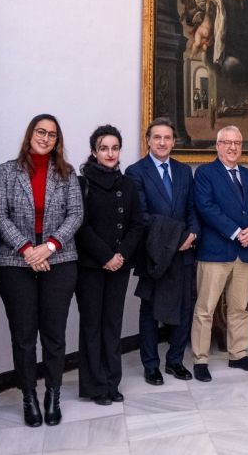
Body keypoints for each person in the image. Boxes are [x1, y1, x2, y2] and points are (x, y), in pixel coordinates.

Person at [0, 114, 83, 427]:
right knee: (23, 336)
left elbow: (75, 215)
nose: (45, 138)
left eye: (52, 134)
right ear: (30, 134)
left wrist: (50, 246)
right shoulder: (6, 171)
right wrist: (28, 249)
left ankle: (53, 394)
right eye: (40, 131)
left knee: (54, 335)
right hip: (15, 263)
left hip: (59, 262)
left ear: (57, 140)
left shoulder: (67, 173)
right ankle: (29, 395)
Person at [125, 118, 199, 385]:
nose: (162, 142)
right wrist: (177, 237)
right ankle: (151, 365)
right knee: (150, 311)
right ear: (148, 140)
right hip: (154, 253)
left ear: (174, 141)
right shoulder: (135, 172)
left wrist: (192, 234)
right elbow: (142, 216)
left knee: (184, 307)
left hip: (184, 252)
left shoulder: (184, 171)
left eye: (167, 137)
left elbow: (193, 209)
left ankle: (175, 361)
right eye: (157, 137)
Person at [75, 125, 145, 405]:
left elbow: (137, 224)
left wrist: (121, 256)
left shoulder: (127, 184)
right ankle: (95, 386)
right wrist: (105, 256)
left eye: (115, 148)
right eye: (104, 148)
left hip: (120, 265)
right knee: (92, 325)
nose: (110, 153)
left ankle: (112, 382)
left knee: (112, 324)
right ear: (94, 151)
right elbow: (81, 225)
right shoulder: (82, 183)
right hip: (91, 266)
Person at [190, 126, 248, 382]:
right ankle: (200, 359)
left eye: (237, 143)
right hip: (215, 253)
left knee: (239, 308)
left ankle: (238, 354)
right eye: (227, 142)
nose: (233, 147)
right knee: (205, 309)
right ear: (218, 145)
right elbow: (206, 207)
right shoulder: (205, 173)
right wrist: (236, 232)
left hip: (244, 253)